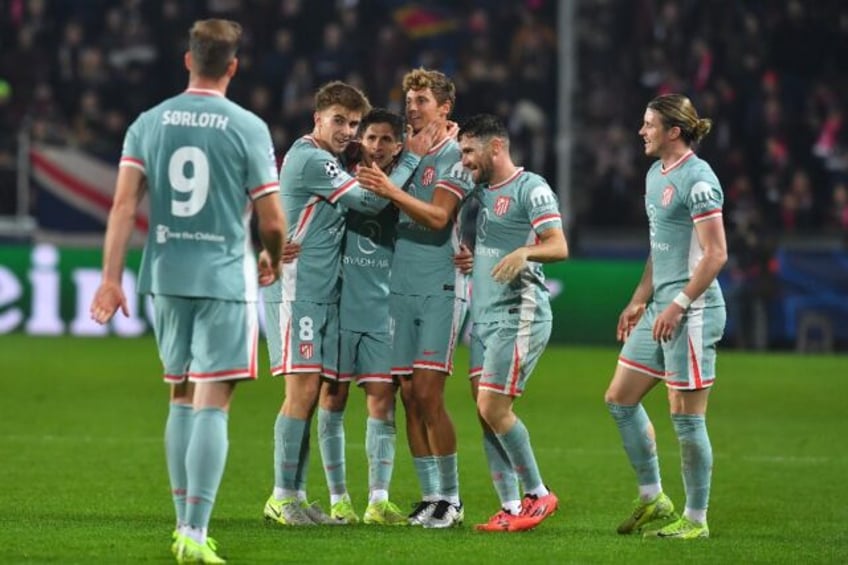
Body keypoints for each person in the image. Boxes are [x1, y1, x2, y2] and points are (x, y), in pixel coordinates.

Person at [89, 19, 286, 564]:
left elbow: (124, 205)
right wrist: (271, 254)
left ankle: (183, 526)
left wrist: (111, 277)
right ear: (233, 66)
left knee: (179, 392)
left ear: (187, 60)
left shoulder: (147, 123)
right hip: (224, 277)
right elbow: (271, 217)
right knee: (213, 400)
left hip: (166, 275)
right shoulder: (247, 126)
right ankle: (196, 533)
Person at [261, 82, 433, 526]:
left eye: (354, 123)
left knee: (306, 396)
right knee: (300, 394)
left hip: (318, 294)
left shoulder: (329, 160)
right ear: (317, 118)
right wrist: (410, 157)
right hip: (298, 292)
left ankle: (294, 496)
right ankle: (281, 496)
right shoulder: (312, 158)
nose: (347, 130)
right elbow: (372, 202)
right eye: (339, 120)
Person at [604, 93, 727, 540]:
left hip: (692, 312)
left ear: (673, 131)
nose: (642, 131)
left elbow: (715, 255)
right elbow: (662, 250)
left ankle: (696, 519)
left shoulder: (698, 179)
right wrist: (640, 299)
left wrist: (678, 305)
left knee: (687, 418)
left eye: (649, 124)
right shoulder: (656, 174)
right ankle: (654, 497)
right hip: (661, 308)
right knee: (619, 398)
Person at [357, 68, 475, 528]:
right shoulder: (403, 155)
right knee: (407, 393)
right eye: (409, 98)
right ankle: (430, 499)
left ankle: (453, 497)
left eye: (422, 99)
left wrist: (388, 188)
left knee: (428, 391)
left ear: (445, 107)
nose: (413, 106)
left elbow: (439, 218)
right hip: (398, 284)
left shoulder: (456, 157)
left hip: (441, 285)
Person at [453, 114, 567, 532]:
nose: (464, 160)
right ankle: (511, 508)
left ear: (495, 147)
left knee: (492, 406)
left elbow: (558, 245)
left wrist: (525, 253)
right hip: (484, 317)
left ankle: (538, 494)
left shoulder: (530, 188)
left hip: (519, 312)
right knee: (486, 414)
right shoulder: (483, 191)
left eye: (470, 151)